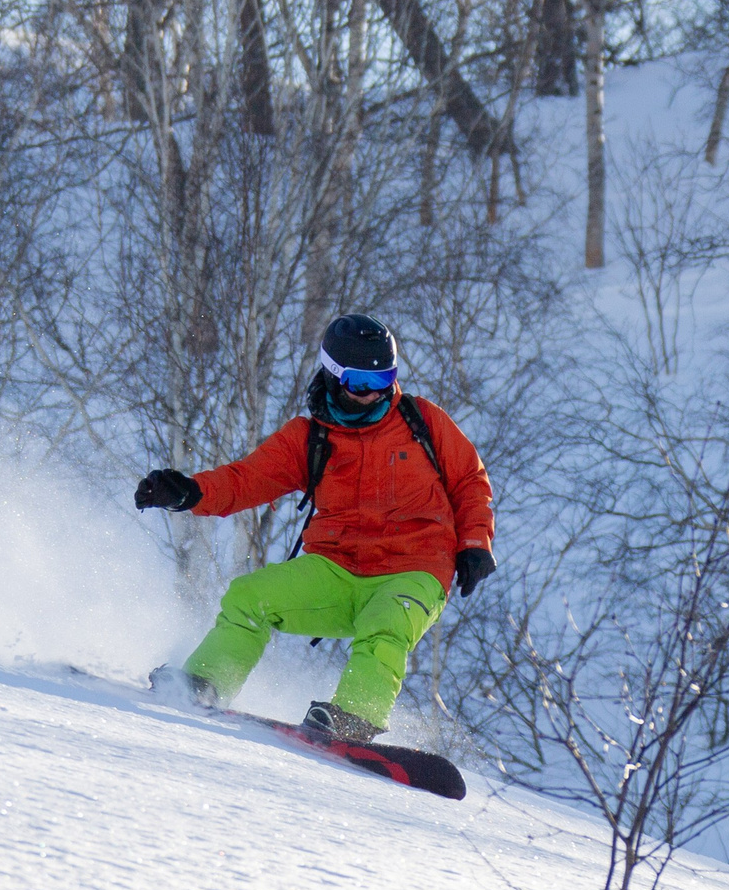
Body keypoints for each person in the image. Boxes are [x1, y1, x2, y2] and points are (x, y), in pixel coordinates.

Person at [136, 314, 495, 743]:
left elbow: (470, 481)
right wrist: (189, 492)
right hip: (338, 570)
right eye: (361, 382)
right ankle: (204, 683)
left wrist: (475, 543)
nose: (375, 394)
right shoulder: (309, 439)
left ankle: (355, 717)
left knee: (386, 624)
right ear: (334, 375)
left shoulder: (422, 422)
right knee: (249, 596)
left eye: (385, 379)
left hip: (414, 570)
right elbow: (245, 480)